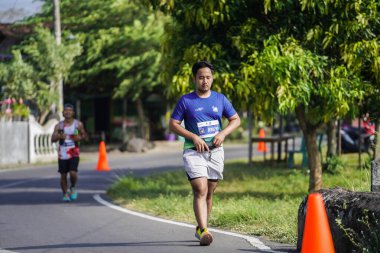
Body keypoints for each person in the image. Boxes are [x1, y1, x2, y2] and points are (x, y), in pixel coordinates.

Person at [169, 61, 241, 246]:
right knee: (200, 189)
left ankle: (202, 228)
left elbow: (235, 119)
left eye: (208, 77)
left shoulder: (220, 99)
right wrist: (194, 137)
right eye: (201, 77)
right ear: (194, 79)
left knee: (209, 192)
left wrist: (223, 133)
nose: (204, 81)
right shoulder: (186, 101)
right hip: (193, 152)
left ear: (212, 78)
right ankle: (204, 230)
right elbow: (173, 124)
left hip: (215, 152)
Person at [51, 103, 87, 202]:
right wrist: (58, 136)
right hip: (62, 153)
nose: (68, 112)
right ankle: (65, 193)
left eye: (70, 110)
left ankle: (73, 187)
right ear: (63, 113)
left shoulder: (78, 124)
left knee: (72, 172)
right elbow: (52, 139)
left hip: (74, 152)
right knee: (63, 175)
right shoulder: (59, 126)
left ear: (73, 113)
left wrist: (79, 137)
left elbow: (85, 136)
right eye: (66, 111)